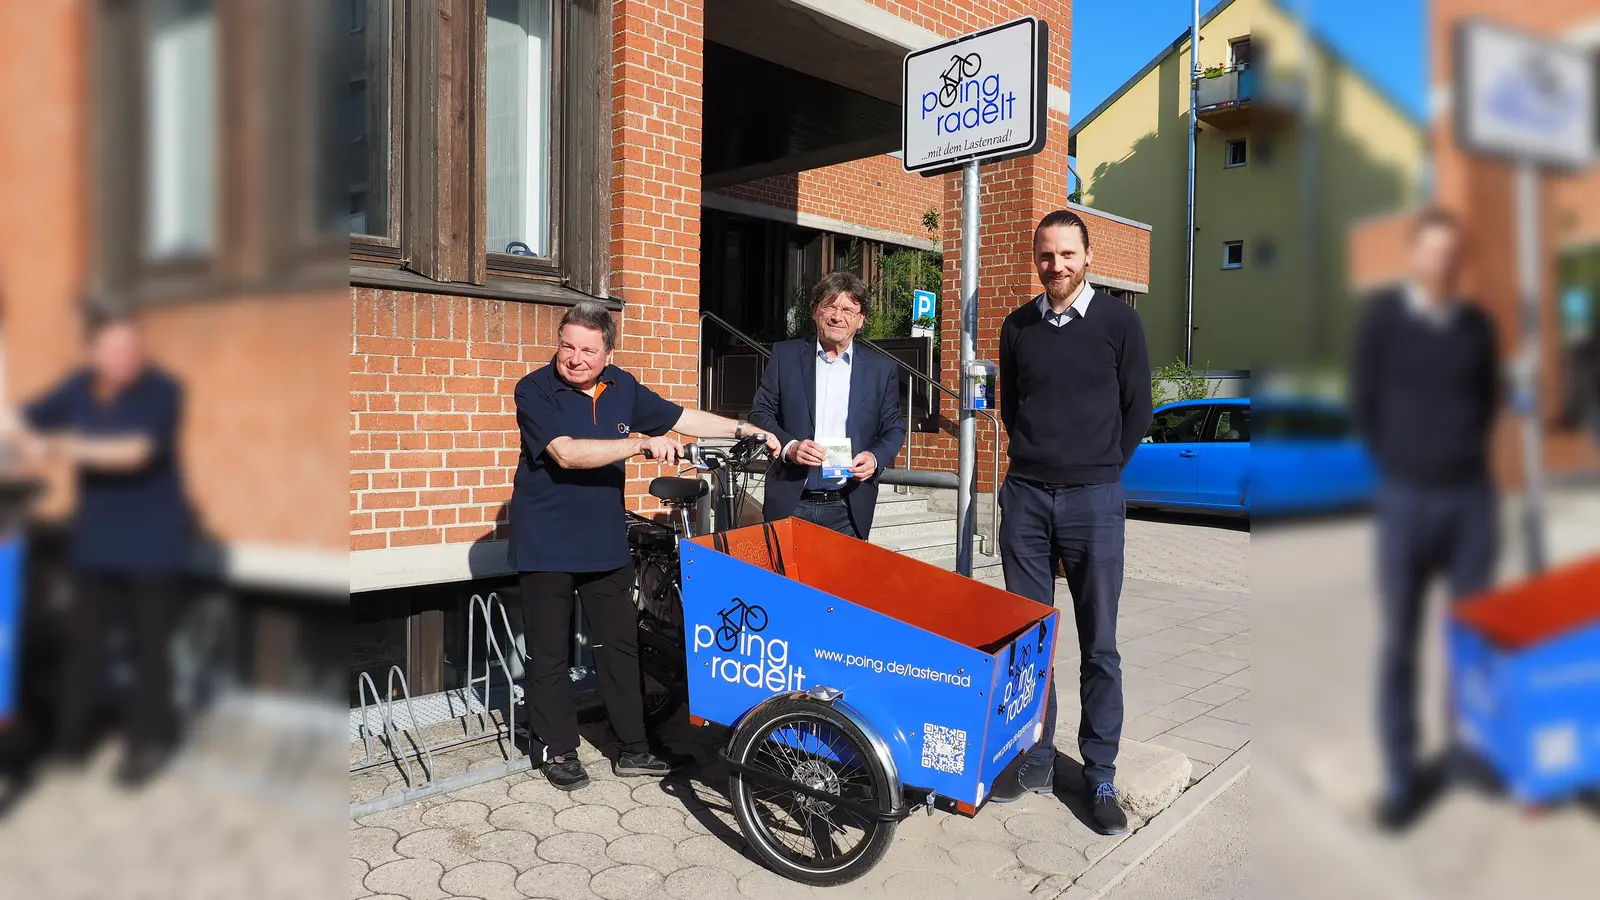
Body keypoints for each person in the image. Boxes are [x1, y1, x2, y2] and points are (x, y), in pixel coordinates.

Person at [510, 301, 779, 791]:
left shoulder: (623, 387)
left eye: (589, 350)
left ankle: (633, 748)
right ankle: (558, 749)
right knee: (550, 653)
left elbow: (682, 418)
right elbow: (566, 454)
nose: (576, 358)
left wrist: (746, 428)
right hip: (545, 541)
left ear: (608, 353)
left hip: (603, 539)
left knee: (618, 645)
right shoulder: (533, 389)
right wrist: (638, 444)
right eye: (568, 346)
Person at [988, 210, 1152, 837]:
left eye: (1067, 254)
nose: (1056, 266)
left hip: (1093, 499)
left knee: (1099, 645)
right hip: (1027, 499)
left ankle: (1099, 770)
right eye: (1046, 256)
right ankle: (1032, 754)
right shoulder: (1018, 326)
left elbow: (1137, 407)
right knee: (1028, 639)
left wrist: (1100, 467)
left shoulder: (1119, 322)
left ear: (1088, 256)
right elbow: (1012, 409)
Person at [1350, 208, 1501, 831]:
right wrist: (1405, 463)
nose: (1443, 264)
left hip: (1469, 502)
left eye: (1452, 254)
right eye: (1433, 252)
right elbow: (1364, 403)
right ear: (1416, 257)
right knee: (1402, 643)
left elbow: (1488, 399)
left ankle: (1471, 751)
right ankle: (1403, 778)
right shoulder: (1383, 320)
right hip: (1407, 500)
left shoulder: (1477, 327)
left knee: (1472, 636)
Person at [5, 310, 192, 787]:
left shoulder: (162, 390)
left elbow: (133, 453)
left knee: (148, 652)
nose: (125, 357)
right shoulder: (77, 387)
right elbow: (22, 422)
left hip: (153, 547)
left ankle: (146, 746)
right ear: (94, 353)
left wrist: (55, 447)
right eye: (113, 349)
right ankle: (70, 741)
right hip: (96, 546)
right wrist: (21, 434)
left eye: (132, 348)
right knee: (82, 646)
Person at [747, 271, 905, 538]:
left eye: (847, 310)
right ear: (814, 311)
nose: (837, 316)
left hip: (848, 506)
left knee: (844, 581)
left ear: (861, 320)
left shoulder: (882, 369)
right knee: (784, 580)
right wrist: (790, 447)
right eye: (830, 306)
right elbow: (760, 412)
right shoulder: (785, 356)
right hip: (791, 501)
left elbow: (894, 429)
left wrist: (875, 458)